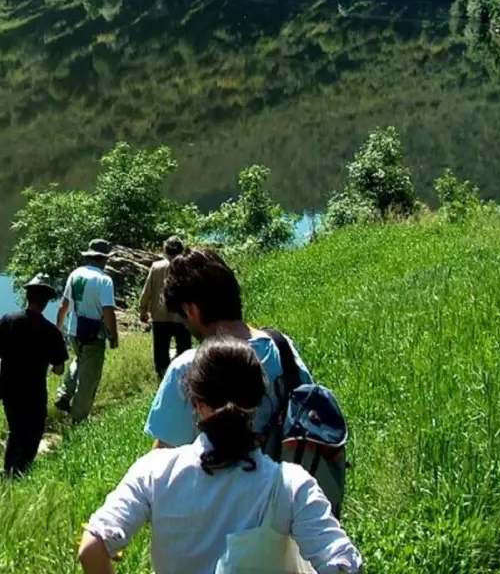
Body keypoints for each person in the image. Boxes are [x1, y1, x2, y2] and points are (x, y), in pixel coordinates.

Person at [78, 337, 363, 574]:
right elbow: (342, 565)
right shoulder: (289, 485)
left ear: (197, 403)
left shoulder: (154, 471)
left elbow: (92, 548)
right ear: (258, 400)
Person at [144, 247, 313, 452]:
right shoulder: (283, 346)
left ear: (191, 310)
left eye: (183, 317)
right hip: (285, 480)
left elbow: (162, 458)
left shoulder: (188, 367)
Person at [0, 273, 69, 478]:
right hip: (34, 391)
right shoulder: (50, 331)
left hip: (9, 387)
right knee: (33, 431)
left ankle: (8, 471)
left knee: (15, 429)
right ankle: (22, 471)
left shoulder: (8, 319)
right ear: (46, 302)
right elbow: (59, 368)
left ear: (28, 297)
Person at [54, 239, 119, 424]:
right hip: (94, 335)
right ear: (104, 259)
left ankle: (64, 395)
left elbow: (63, 305)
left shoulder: (75, 274)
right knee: (89, 377)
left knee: (80, 359)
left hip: (73, 330)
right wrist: (113, 336)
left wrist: (59, 328)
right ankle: (79, 417)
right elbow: (108, 311)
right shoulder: (104, 280)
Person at [138, 235, 191, 379]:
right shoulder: (186, 266)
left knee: (161, 350)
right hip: (182, 316)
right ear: (181, 250)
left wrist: (143, 309)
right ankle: (183, 376)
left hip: (160, 315)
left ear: (165, 250)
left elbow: (147, 290)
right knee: (184, 349)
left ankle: (162, 376)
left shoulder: (156, 267)